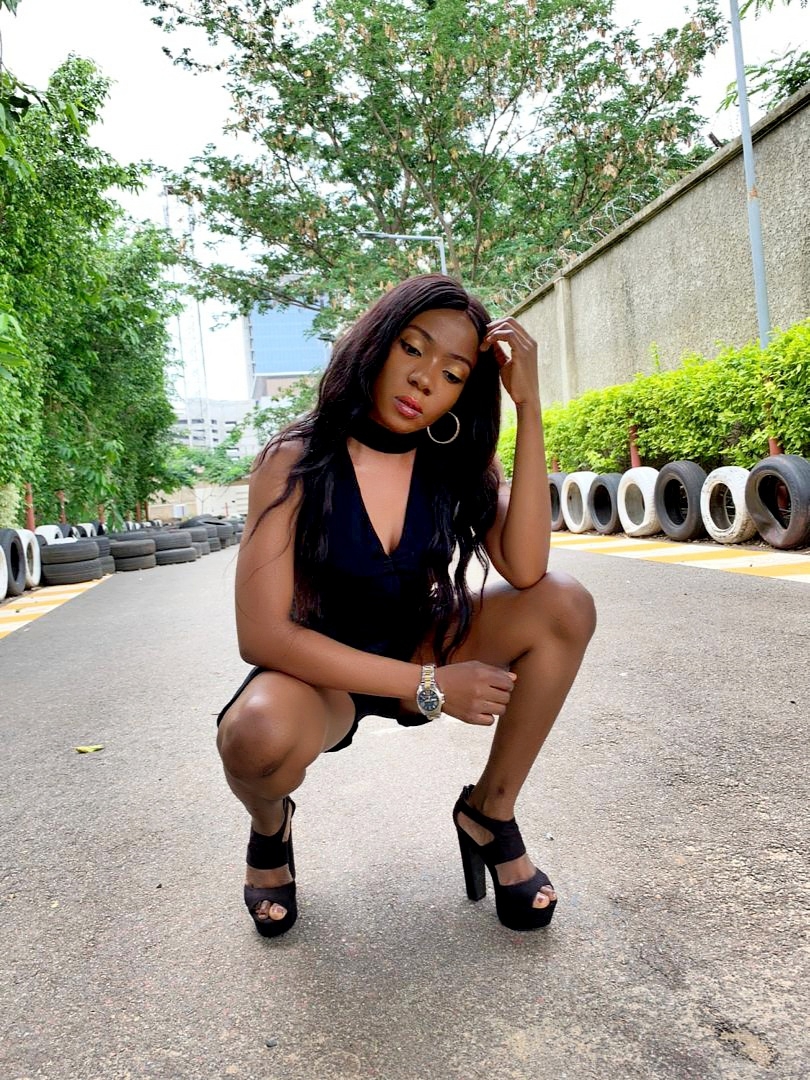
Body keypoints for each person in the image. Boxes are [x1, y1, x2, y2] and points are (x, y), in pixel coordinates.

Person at [216, 274, 596, 938]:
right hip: (322, 674)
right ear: (379, 343)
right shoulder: (295, 459)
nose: (424, 379)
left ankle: (490, 812)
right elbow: (263, 635)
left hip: (423, 639)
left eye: (452, 374)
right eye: (413, 349)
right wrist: (429, 684)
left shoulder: (456, 462)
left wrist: (529, 406)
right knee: (255, 737)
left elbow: (528, 567)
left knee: (564, 603)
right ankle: (270, 828)